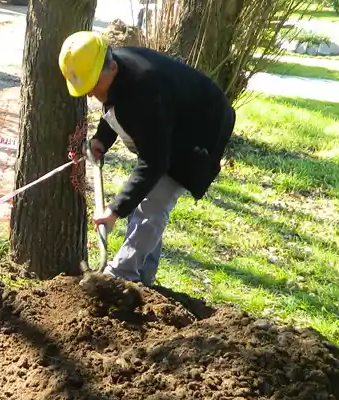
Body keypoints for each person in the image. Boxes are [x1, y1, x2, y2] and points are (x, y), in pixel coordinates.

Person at [59, 31, 235, 286]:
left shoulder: (144, 91)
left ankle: (120, 277)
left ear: (112, 68)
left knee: (152, 205)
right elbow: (115, 103)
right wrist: (102, 139)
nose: (90, 94)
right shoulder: (114, 71)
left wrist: (114, 210)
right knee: (144, 200)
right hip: (170, 121)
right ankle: (142, 279)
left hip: (199, 133)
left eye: (93, 85)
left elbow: (155, 162)